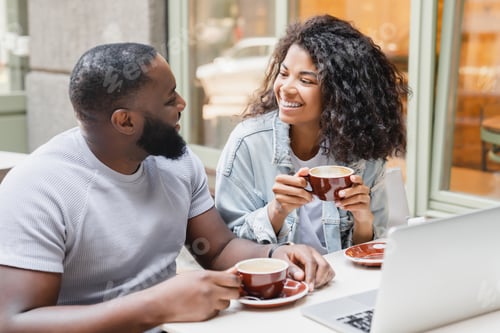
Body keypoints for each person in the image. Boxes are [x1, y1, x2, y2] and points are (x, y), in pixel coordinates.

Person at [0, 42, 334, 333]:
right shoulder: (37, 189)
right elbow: (15, 323)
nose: (183, 103)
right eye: (168, 98)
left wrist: (275, 255)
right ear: (125, 121)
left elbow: (217, 249)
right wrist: (155, 306)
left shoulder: (175, 159)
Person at [215, 15, 408, 254]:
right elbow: (224, 245)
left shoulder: (363, 151)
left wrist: (363, 221)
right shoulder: (249, 143)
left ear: (340, 93)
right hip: (280, 286)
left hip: (340, 284)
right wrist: (277, 211)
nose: (285, 88)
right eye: (284, 74)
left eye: (305, 80)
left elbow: (373, 252)